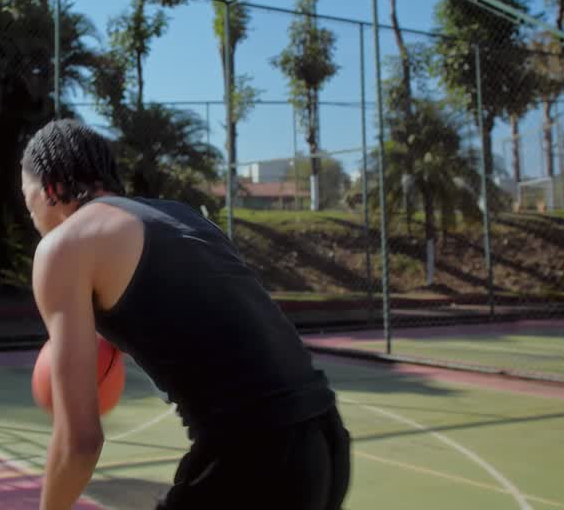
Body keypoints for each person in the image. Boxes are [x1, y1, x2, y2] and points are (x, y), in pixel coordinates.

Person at [20, 119, 351, 509]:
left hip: (254, 460)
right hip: (327, 443)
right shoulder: (179, 216)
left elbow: (80, 442)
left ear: (52, 190)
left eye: (29, 206)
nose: (35, 222)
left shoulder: (63, 246)